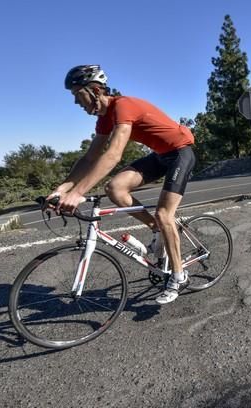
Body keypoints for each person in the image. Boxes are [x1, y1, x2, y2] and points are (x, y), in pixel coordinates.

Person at [49, 64, 196, 304]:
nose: (76, 102)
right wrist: (62, 189)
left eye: (78, 95)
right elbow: (90, 157)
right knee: (114, 188)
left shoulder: (123, 106)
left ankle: (179, 276)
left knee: (164, 213)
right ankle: (157, 229)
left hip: (181, 152)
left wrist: (78, 193)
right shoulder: (104, 120)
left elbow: (114, 154)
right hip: (160, 155)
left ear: (95, 90)